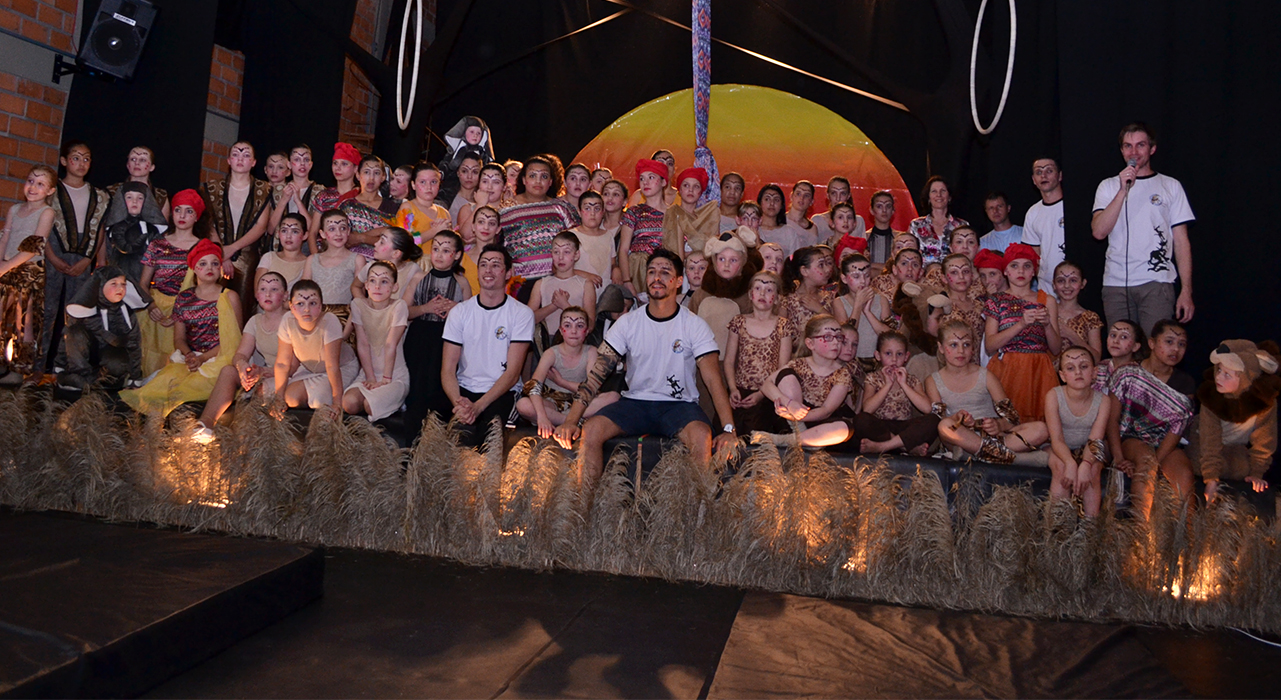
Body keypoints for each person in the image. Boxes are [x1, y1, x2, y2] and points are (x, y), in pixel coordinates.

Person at [553, 249, 737, 494]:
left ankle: (695, 513)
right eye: (651, 272)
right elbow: (596, 376)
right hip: (636, 403)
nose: (657, 277)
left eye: (665, 272)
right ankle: (584, 509)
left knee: (701, 436)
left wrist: (729, 429)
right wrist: (570, 421)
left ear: (678, 281)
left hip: (678, 406)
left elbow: (713, 380)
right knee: (592, 430)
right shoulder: (628, 323)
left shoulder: (694, 324)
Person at [120, 239, 243, 417]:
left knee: (185, 390)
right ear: (194, 269)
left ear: (221, 268)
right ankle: (152, 433)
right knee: (159, 390)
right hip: (189, 359)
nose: (209, 268)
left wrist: (203, 358)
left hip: (218, 360)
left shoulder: (230, 297)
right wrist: (189, 355)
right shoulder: (184, 298)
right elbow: (179, 339)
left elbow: (235, 341)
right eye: (203, 263)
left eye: (215, 263)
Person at [1091, 123, 1195, 328]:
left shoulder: (1170, 185)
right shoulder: (1108, 186)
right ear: (1121, 150)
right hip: (1116, 284)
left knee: (1156, 344)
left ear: (1152, 149)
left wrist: (1186, 290)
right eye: (1128, 146)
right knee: (1121, 345)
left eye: (1140, 145)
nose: (1134, 152)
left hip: (1156, 283)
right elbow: (1099, 232)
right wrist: (1122, 191)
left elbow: (1182, 242)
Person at [440, 244, 534, 447]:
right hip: (464, 389)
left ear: (508, 273)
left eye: (495, 265)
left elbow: (512, 373)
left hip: (502, 391)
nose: (488, 270)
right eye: (483, 265)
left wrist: (478, 407)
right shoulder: (460, 312)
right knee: (444, 434)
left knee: (488, 440)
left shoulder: (521, 313)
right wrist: (460, 404)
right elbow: (447, 369)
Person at [1107, 321, 1196, 519]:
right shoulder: (1127, 373)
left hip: (1165, 443)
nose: (1175, 349)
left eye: (1181, 344)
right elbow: (1112, 420)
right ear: (1152, 343)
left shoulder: (1186, 383)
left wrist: (1157, 461)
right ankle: (1141, 532)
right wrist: (1119, 458)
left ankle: (1188, 534)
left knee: (1185, 475)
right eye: (1169, 342)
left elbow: (1177, 429)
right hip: (1131, 438)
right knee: (1146, 460)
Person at [929, 319, 1048, 464]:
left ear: (973, 348)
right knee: (944, 426)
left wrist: (998, 425)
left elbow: (1012, 419)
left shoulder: (986, 375)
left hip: (994, 438)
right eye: (953, 345)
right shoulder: (933, 380)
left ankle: (982, 455)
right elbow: (938, 420)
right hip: (962, 439)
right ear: (941, 347)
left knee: (1041, 429)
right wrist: (957, 419)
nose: (961, 351)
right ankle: (1014, 458)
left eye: (966, 344)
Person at [191, 271, 289, 441]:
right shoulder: (255, 321)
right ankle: (206, 425)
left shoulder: (292, 320)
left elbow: (294, 364)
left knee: (261, 388)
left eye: (274, 289)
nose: (267, 294)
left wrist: (264, 372)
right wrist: (243, 366)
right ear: (256, 295)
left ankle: (249, 439)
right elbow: (240, 354)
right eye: (263, 289)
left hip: (287, 375)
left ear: (285, 295)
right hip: (263, 372)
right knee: (228, 371)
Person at [1189, 340, 1279, 502]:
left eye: (1227, 375)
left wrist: (1256, 473)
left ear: (1246, 378)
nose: (1218, 377)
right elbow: (1209, 441)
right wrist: (1211, 478)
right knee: (1207, 468)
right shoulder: (1211, 398)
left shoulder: (1264, 402)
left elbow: (1264, 441)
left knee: (1241, 470)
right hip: (1203, 443)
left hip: (1235, 445)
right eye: (1219, 370)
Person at [753, 313, 857, 448]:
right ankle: (805, 437)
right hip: (793, 417)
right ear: (810, 343)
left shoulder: (842, 373)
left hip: (819, 421)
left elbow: (826, 410)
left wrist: (796, 416)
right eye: (828, 337)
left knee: (844, 428)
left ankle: (785, 440)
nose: (836, 342)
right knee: (786, 376)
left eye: (838, 337)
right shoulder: (798, 364)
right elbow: (767, 385)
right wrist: (789, 404)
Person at [49, 141, 110, 369]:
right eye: (76, 158)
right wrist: (53, 258)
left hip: (83, 258)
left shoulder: (99, 196)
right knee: (47, 311)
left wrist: (91, 260)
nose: (81, 163)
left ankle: (68, 365)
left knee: (76, 313)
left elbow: (99, 230)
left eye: (86, 158)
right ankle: (37, 365)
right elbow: (42, 229)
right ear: (64, 161)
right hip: (53, 254)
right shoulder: (52, 191)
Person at [402, 230, 471, 431]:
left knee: (440, 386)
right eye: (435, 249)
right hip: (419, 338)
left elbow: (472, 319)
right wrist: (426, 308)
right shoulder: (418, 278)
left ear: (457, 255)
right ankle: (413, 435)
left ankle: (439, 435)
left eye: (446, 250)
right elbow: (403, 311)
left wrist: (456, 310)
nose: (439, 255)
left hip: (448, 341)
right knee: (417, 387)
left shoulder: (461, 282)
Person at [984, 243, 1060, 422]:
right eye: (1014, 265)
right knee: (1006, 421)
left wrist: (1047, 325)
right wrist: (1021, 324)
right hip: (1007, 369)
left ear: (1034, 271)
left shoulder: (1047, 300)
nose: (1021, 271)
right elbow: (989, 346)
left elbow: (1056, 349)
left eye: (1027, 266)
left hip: (1038, 371)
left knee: (1040, 422)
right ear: (1006, 271)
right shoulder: (996, 300)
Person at [516, 307, 617, 437]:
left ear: (587, 331)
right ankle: (569, 421)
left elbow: (592, 389)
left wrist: (562, 382)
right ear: (560, 330)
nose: (573, 331)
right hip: (552, 403)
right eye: (568, 325)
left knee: (614, 397)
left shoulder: (591, 352)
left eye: (579, 326)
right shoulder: (551, 353)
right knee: (523, 404)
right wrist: (542, 417)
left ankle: (565, 419)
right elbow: (533, 386)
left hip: (580, 403)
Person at [136, 189, 206, 376]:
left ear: (196, 217)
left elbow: (204, 287)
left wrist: (180, 313)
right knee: (148, 356)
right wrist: (150, 306)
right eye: (178, 210)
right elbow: (143, 283)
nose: (182, 216)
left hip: (187, 311)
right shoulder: (157, 244)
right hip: (156, 310)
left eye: (189, 211)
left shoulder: (202, 247)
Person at [200, 141, 274, 304]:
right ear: (228, 160)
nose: (240, 159)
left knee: (242, 303)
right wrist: (221, 252)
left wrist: (232, 248)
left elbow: (261, 226)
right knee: (214, 302)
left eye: (246, 155)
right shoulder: (213, 188)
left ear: (253, 162)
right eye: (235, 155)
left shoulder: (263, 189)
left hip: (246, 254)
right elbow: (209, 224)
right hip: (217, 252)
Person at [272, 279, 359, 414]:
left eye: (312, 303)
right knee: (291, 399)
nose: (306, 309)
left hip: (341, 368)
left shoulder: (329, 321)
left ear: (321, 305)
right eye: (300, 304)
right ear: (291, 306)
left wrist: (336, 403)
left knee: (319, 400)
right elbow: (282, 363)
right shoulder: (287, 321)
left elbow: (332, 365)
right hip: (309, 369)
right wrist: (279, 398)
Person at [1043, 346, 1112, 516]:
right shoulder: (1053, 396)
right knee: (1060, 468)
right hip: (1060, 448)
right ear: (1062, 376)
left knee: (1093, 471)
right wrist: (1070, 462)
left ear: (1094, 372)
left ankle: (1090, 526)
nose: (1078, 372)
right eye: (1070, 368)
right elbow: (1057, 438)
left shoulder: (1103, 401)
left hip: (1089, 449)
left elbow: (1095, 439)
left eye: (1084, 366)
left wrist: (1086, 464)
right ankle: (1057, 525)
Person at [57, 265, 146, 394]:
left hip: (109, 355)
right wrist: (59, 364)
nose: (120, 288)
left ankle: (106, 379)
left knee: (118, 364)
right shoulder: (83, 309)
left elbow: (134, 342)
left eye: (123, 284)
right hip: (86, 354)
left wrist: (135, 375)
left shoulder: (126, 312)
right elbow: (67, 336)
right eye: (114, 284)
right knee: (76, 332)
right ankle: (80, 375)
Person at [723, 271, 794, 433]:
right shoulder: (739, 322)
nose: (762, 294)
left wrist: (762, 394)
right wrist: (732, 388)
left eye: (769, 290)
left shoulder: (783, 326)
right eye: (758, 288)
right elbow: (729, 361)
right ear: (750, 294)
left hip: (768, 393)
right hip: (740, 390)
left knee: (757, 427)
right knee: (730, 428)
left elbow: (783, 367)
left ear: (777, 298)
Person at [0, 165, 55, 373]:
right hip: (6, 267)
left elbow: (33, 247)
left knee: (23, 318)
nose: (33, 187)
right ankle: (3, 360)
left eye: (40, 184)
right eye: (30, 181)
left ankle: (21, 366)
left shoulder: (47, 212)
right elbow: (5, 237)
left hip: (28, 271)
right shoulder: (15, 210)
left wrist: (6, 266)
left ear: (50, 191)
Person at [342, 261, 409, 420]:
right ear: (366, 285)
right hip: (368, 372)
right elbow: (363, 344)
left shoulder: (399, 306)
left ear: (394, 287)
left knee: (370, 405)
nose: (377, 286)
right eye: (373, 281)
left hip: (393, 374)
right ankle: (379, 397)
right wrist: (370, 377)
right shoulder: (358, 304)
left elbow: (390, 344)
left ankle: (396, 398)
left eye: (384, 281)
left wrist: (386, 379)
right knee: (349, 403)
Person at [855, 330, 939, 455]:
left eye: (899, 354)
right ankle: (906, 448)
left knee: (933, 420)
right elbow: (867, 409)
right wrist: (887, 385)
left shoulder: (912, 380)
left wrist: (904, 384)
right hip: (881, 428)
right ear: (878, 355)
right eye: (888, 353)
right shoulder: (872, 378)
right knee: (861, 420)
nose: (894, 359)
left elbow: (927, 408)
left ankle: (884, 447)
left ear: (906, 356)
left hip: (904, 429)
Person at [500, 155, 578, 286]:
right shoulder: (506, 209)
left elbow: (576, 243)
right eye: (532, 176)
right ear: (524, 180)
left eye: (544, 176)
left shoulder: (562, 208)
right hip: (519, 283)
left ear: (550, 182)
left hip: (558, 282)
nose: (538, 181)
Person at [527, 231, 595, 345]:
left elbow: (590, 325)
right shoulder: (541, 284)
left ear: (576, 255)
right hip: (547, 343)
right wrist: (553, 306)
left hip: (576, 343)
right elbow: (528, 319)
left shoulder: (586, 285)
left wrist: (565, 305)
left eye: (567, 252)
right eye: (556, 252)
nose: (561, 257)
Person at [617, 159, 670, 297]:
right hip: (637, 272)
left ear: (663, 182)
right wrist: (627, 280)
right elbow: (623, 249)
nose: (645, 182)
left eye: (651, 177)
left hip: (665, 271)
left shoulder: (674, 214)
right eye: (642, 179)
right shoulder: (634, 212)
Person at [301, 210, 362, 326]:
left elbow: (359, 300)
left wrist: (349, 327)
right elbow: (303, 292)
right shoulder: (312, 260)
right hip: (314, 319)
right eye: (332, 229)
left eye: (343, 228)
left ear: (348, 231)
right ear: (322, 234)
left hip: (343, 320)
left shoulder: (357, 259)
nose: (338, 233)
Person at [100, 182, 164, 286]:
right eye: (129, 197)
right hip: (118, 280)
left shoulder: (151, 229)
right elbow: (115, 250)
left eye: (140, 198)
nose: (135, 201)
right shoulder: (114, 228)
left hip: (143, 281)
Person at [1019, 157, 1065, 296]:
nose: (1043, 176)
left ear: (1060, 175)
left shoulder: (1073, 206)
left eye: (1049, 171)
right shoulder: (1033, 212)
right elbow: (1033, 255)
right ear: (1034, 180)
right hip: (1047, 287)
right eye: (1039, 172)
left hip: (1072, 284)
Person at [341, 155, 401, 257]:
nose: (371, 178)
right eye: (366, 172)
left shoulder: (393, 208)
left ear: (383, 177)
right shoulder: (347, 206)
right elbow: (344, 239)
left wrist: (362, 238)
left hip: (383, 263)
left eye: (376, 173)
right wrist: (381, 232)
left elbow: (397, 242)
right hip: (351, 261)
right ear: (358, 175)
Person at [268, 144, 326, 249]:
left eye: (306, 160)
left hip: (307, 250)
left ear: (311, 164)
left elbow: (314, 230)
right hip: (280, 248)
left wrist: (298, 202)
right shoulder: (277, 190)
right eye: (297, 159)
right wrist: (283, 200)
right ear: (289, 164)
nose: (302, 164)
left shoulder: (319, 191)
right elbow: (270, 229)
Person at [833, 254, 884, 365]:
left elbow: (889, 337)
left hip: (878, 361)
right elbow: (846, 336)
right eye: (856, 276)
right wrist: (858, 305)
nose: (863, 281)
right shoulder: (839, 302)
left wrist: (867, 312)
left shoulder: (881, 300)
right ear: (844, 279)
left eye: (867, 276)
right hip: (851, 362)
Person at [436, 116, 494, 212]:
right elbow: (446, 162)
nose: (475, 136)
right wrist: (440, 172)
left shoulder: (483, 154)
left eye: (478, 133)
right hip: (452, 184)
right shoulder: (457, 150)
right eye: (472, 132)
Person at [308, 142, 361, 242]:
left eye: (344, 164)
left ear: (356, 168)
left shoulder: (361, 195)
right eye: (335, 163)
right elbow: (312, 233)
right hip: (324, 249)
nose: (338, 168)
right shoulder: (324, 195)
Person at [908, 176, 968, 266]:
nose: (939, 195)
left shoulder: (961, 225)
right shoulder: (916, 225)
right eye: (934, 191)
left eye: (943, 191)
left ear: (949, 197)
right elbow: (909, 255)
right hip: (924, 274)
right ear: (928, 198)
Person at [104, 145, 170, 226]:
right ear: (127, 165)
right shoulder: (112, 191)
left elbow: (163, 228)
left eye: (142, 160)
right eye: (133, 159)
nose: (137, 163)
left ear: (152, 167)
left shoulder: (160, 196)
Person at [393, 163, 452, 253]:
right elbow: (404, 243)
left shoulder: (444, 213)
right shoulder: (408, 208)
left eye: (433, 182)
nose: (429, 187)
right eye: (423, 182)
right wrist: (435, 231)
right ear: (413, 185)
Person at [352, 227, 423, 302]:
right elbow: (355, 286)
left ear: (396, 253)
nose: (375, 244)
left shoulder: (413, 270)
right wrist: (364, 304)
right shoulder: (371, 266)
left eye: (382, 242)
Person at [661, 167, 719, 258]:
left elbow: (714, 249)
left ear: (701, 192)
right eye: (686, 185)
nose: (691, 190)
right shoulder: (672, 213)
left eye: (696, 186)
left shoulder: (707, 217)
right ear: (679, 190)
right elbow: (669, 246)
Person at [779, 245, 836, 337]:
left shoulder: (831, 297)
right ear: (804, 271)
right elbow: (781, 334)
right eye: (821, 265)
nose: (827, 269)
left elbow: (839, 330)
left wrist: (820, 309)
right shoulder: (787, 301)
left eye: (827, 264)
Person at [1053, 261, 1103, 361]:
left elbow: (1096, 358)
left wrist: (1072, 336)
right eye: (1061, 281)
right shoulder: (1046, 313)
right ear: (1054, 284)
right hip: (1048, 370)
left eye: (1073, 280)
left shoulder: (1090, 317)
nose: (1067, 285)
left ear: (1083, 283)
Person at [255, 214, 308, 290]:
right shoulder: (269, 257)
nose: (288, 236)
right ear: (278, 233)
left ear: (305, 235)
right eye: (284, 231)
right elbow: (259, 291)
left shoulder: (309, 263)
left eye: (295, 231)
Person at [456, 163, 505, 245]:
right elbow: (466, 235)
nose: (489, 187)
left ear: (504, 186)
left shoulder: (510, 211)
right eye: (485, 181)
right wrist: (480, 204)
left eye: (496, 182)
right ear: (478, 184)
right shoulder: (468, 209)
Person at [1092, 319, 1145, 392]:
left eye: (1124, 337)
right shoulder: (1100, 367)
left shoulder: (1139, 374)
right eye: (1113, 335)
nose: (1116, 341)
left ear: (1135, 346)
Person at [814, 176, 866, 247]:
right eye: (833, 193)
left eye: (843, 193)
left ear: (848, 196)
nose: (838, 198)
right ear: (828, 195)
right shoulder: (818, 221)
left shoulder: (858, 221)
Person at [757, 184, 804, 259]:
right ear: (760, 203)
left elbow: (795, 260)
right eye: (767, 199)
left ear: (781, 205)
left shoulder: (789, 232)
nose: (772, 203)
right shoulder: (754, 229)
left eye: (776, 200)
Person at [462, 205, 499, 293]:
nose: (486, 227)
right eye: (481, 222)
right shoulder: (462, 259)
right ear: (473, 226)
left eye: (491, 223)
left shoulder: (504, 259)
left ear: (498, 229)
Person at [865, 191, 902, 272]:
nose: (884, 210)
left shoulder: (900, 239)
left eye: (888, 206)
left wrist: (872, 265)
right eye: (879, 206)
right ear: (871, 210)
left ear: (893, 210)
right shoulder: (864, 238)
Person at [784, 180, 822, 250]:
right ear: (791, 196)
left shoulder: (812, 229)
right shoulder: (779, 220)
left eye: (806, 195)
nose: (802, 198)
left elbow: (811, 253)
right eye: (798, 194)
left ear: (811, 201)